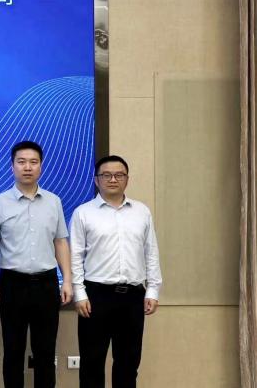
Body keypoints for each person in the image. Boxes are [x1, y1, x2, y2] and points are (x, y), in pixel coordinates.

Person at [71, 155, 162, 388]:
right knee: (92, 363)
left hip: (132, 297)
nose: (113, 179)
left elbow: (151, 252)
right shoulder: (83, 213)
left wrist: (152, 290)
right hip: (96, 296)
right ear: (96, 180)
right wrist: (79, 293)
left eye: (119, 175)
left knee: (128, 363)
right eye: (106, 175)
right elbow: (75, 256)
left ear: (127, 179)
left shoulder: (141, 212)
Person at [0, 141, 72, 388]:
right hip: (11, 284)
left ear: (41, 167)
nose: (27, 167)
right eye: (21, 162)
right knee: (12, 350)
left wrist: (67, 280)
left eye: (33, 162)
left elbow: (60, 242)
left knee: (45, 352)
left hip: (46, 283)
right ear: (12, 166)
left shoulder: (54, 201)